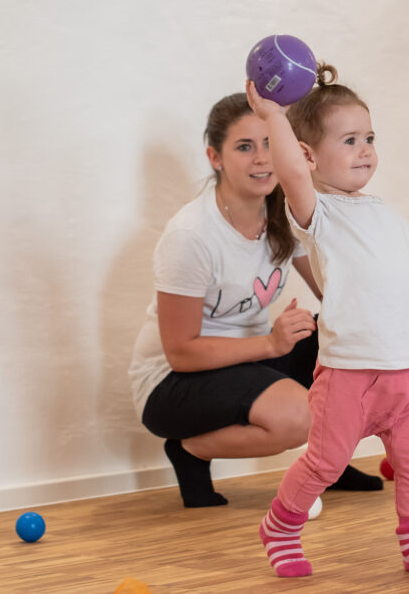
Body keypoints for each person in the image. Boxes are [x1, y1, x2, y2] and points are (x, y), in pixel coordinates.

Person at [246, 66, 409, 578]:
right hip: (349, 374)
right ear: (308, 154)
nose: (365, 149)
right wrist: (274, 118)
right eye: (349, 140)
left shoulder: (390, 216)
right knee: (324, 464)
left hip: (405, 373)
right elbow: (290, 174)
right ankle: (280, 526)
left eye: (369, 138)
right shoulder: (319, 212)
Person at [128, 93, 382, 509]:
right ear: (215, 156)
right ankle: (190, 450)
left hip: (247, 363)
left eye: (268, 143)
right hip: (172, 384)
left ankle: (328, 462)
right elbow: (179, 353)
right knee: (300, 415)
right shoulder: (190, 237)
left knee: (354, 331)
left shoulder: (281, 212)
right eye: (245, 147)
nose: (263, 159)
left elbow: (329, 287)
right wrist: (272, 344)